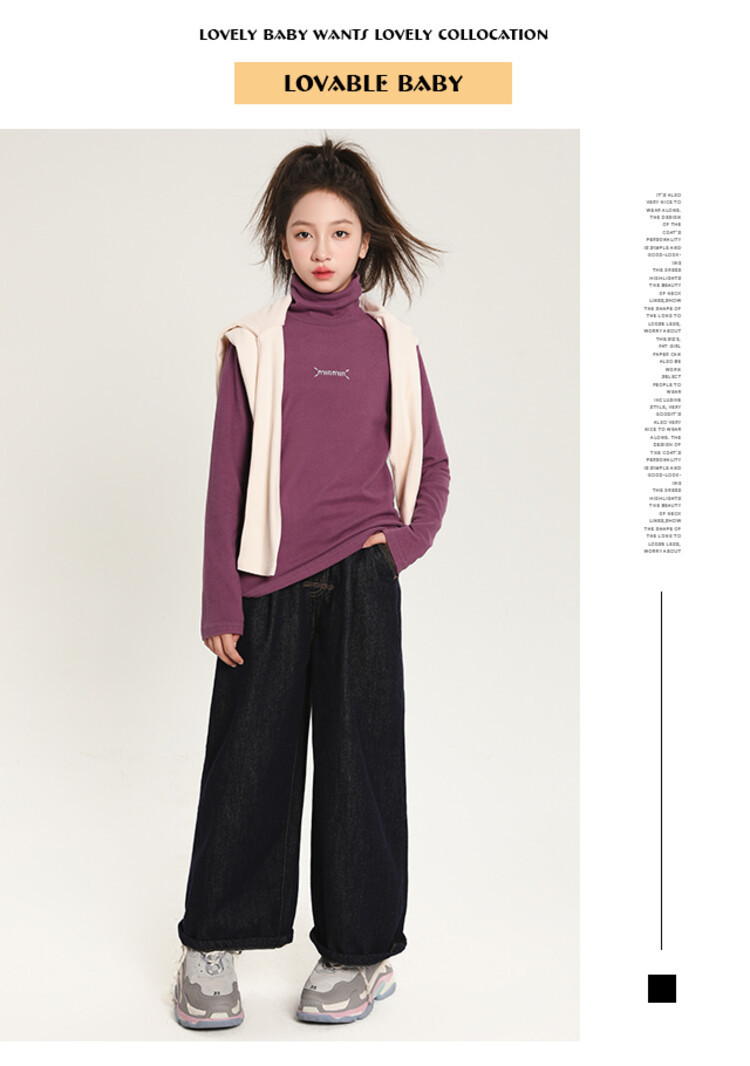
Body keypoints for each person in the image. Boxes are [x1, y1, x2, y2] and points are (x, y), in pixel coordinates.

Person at [173, 138, 451, 1029]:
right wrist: (220, 596)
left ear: (365, 240)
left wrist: (394, 552)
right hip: (266, 584)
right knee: (247, 765)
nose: (321, 249)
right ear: (282, 241)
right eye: (303, 233)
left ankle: (359, 954)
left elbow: (434, 467)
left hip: (362, 583)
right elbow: (226, 476)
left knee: (362, 768)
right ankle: (212, 944)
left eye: (338, 232)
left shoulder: (393, 344)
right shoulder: (253, 345)